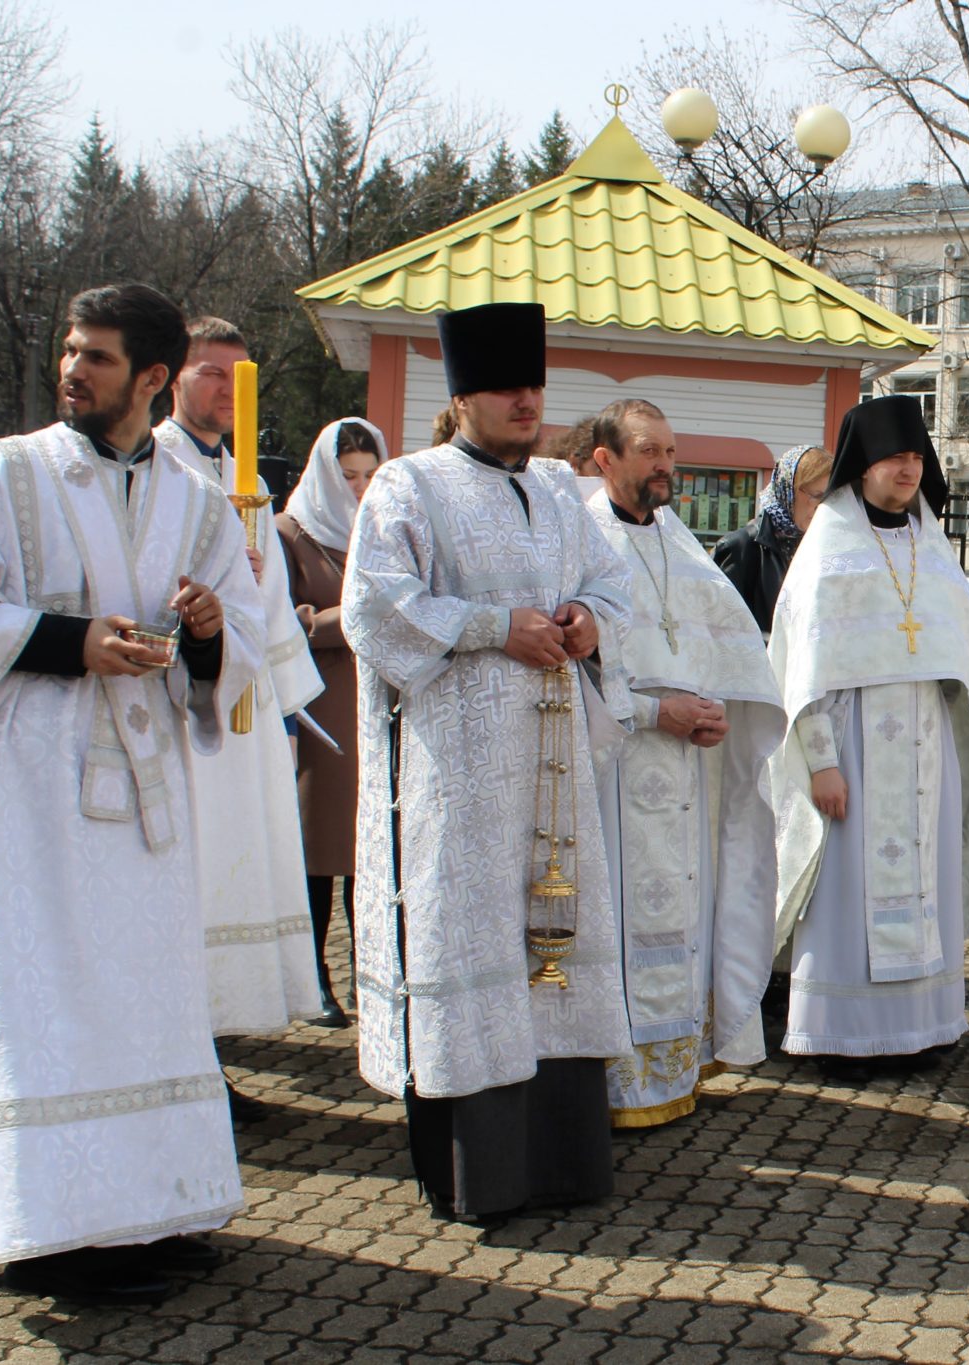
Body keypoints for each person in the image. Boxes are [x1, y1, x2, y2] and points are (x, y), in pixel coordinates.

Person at [0, 283, 262, 1303]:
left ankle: (147, 1212)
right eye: (70, 351)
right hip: (38, 782)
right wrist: (70, 641)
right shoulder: (9, 474)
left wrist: (202, 634)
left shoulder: (194, 500)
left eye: (98, 357)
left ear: (150, 378)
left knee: (142, 1002)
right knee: (45, 998)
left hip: (146, 788)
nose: (73, 370)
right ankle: (49, 1232)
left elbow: (238, 641)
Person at [343, 301, 634, 1222]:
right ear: (463, 391)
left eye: (536, 385)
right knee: (466, 930)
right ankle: (479, 1172)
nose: (526, 400)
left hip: (553, 767)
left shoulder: (556, 487)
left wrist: (588, 618)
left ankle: (563, 1160)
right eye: (507, 385)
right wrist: (490, 627)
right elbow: (375, 609)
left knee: (558, 939)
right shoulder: (408, 486)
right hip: (458, 771)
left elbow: (610, 577)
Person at [767, 395, 969, 1082]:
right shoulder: (830, 544)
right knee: (846, 893)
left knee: (925, 883)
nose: (908, 469)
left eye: (916, 457)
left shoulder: (930, 545)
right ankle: (841, 1034)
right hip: (852, 744)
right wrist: (820, 763)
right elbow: (806, 672)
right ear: (863, 465)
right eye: (894, 458)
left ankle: (921, 1027)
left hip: (925, 745)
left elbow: (966, 653)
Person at [583, 398, 785, 1127]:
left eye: (670, 451)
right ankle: (612, 1082)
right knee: (622, 921)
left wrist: (723, 713)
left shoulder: (681, 542)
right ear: (605, 458)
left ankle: (677, 1067)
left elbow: (730, 649)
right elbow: (580, 671)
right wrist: (656, 710)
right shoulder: (582, 540)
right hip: (617, 767)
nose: (666, 465)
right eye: (649, 451)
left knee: (683, 913)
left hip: (689, 775)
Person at [156, 317, 325, 1061]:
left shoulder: (248, 479)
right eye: (212, 373)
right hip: (176, 710)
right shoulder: (153, 468)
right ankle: (178, 1051)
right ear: (170, 376)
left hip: (245, 717)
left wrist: (284, 703)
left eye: (241, 376)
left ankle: (215, 1048)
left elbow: (271, 599)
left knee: (233, 871)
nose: (228, 391)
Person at [276, 418, 387, 1028]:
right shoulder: (291, 534)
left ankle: (371, 978)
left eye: (371, 475)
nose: (361, 488)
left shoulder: (385, 530)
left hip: (375, 709)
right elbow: (285, 624)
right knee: (317, 854)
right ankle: (311, 979)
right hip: (321, 710)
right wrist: (353, 615)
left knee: (367, 858)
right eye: (348, 476)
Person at [713, 444, 835, 638]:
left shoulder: (823, 546)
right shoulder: (741, 547)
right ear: (787, 489)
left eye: (829, 498)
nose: (823, 507)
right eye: (816, 496)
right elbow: (721, 628)